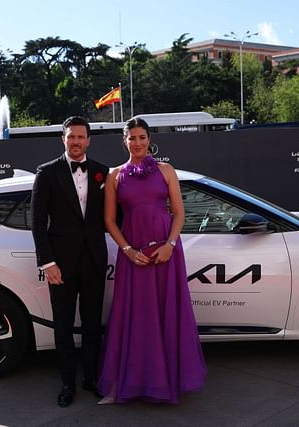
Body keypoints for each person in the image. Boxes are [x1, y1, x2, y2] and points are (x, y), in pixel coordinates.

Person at [97, 117, 207, 404]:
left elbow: (179, 213)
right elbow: (109, 221)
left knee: (166, 313)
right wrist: (128, 250)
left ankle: (167, 380)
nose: (138, 143)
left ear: (149, 139)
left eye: (142, 137)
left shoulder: (166, 170)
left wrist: (170, 244)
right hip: (133, 256)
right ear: (125, 141)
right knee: (134, 316)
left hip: (166, 254)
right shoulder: (115, 176)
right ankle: (126, 383)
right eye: (132, 138)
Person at [30, 116, 109, 407]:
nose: (75, 142)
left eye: (80, 137)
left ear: (88, 140)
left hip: (94, 262)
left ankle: (91, 378)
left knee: (92, 325)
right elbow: (38, 222)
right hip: (60, 266)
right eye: (70, 136)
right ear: (63, 139)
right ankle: (67, 383)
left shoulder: (103, 173)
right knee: (62, 326)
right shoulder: (47, 173)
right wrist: (47, 262)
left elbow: (115, 217)